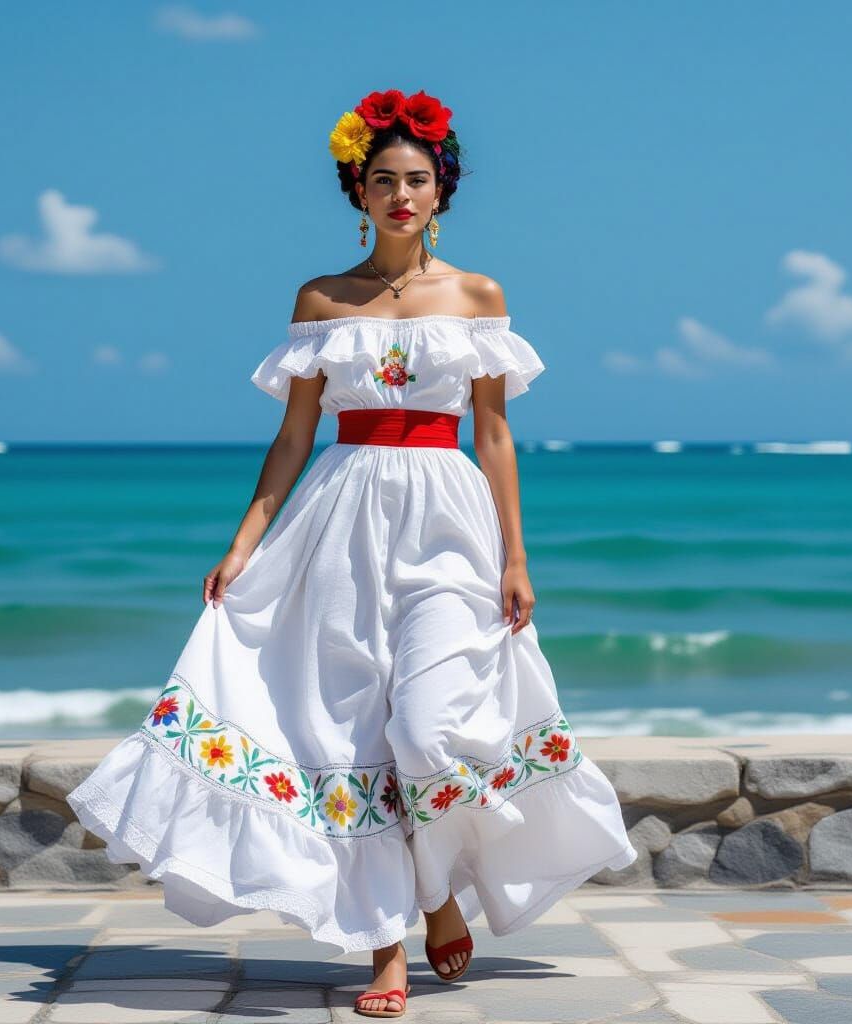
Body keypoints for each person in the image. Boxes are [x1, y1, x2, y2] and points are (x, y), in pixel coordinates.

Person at [68, 87, 637, 1019]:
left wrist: (516, 558)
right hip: (340, 518)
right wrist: (243, 543)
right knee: (353, 737)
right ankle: (387, 946)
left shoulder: (478, 298)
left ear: (441, 190)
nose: (400, 195)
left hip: (449, 522)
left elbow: (494, 435)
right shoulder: (322, 300)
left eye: (416, 180)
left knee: (425, 729)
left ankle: (437, 890)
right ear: (357, 192)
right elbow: (294, 437)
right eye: (382, 181)